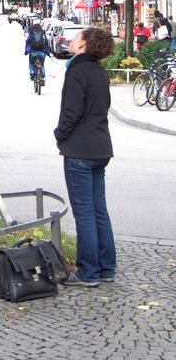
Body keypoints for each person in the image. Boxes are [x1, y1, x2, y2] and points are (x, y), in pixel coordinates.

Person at [55, 27, 116, 287]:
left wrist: (60, 134)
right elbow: (104, 106)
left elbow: (72, 111)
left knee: (85, 213)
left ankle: (88, 271)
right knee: (99, 210)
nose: (72, 38)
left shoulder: (76, 71)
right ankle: (106, 267)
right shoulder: (100, 72)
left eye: (77, 36)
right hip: (101, 147)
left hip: (80, 149)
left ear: (84, 44)